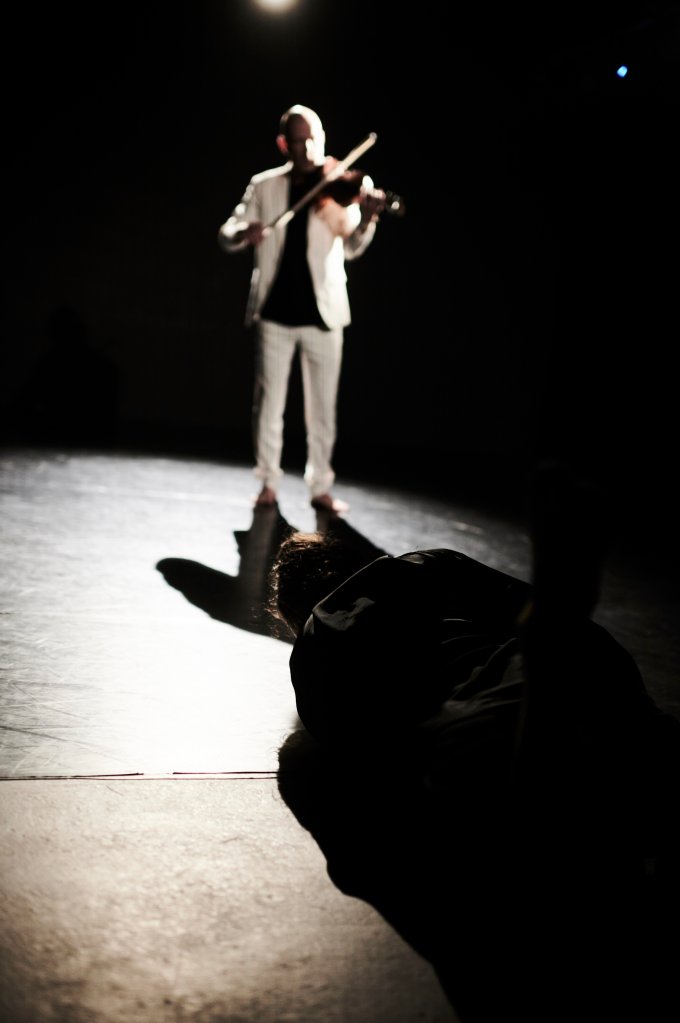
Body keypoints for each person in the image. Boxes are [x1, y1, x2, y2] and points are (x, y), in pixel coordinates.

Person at [271, 464, 680, 1022]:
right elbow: (550, 620)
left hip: (477, 740)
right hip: (567, 686)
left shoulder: (315, 648)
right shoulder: (420, 564)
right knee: (607, 738)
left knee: (526, 818)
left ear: (294, 614)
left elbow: (368, 761)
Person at [218, 104, 385, 513]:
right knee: (269, 405)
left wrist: (367, 219)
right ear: (284, 145)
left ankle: (321, 486)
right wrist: (243, 232)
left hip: (324, 312)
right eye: (299, 141)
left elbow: (351, 247)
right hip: (274, 311)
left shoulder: (336, 184)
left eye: (315, 138)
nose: (309, 148)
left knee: (323, 408)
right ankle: (267, 484)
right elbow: (227, 231)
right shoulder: (264, 186)